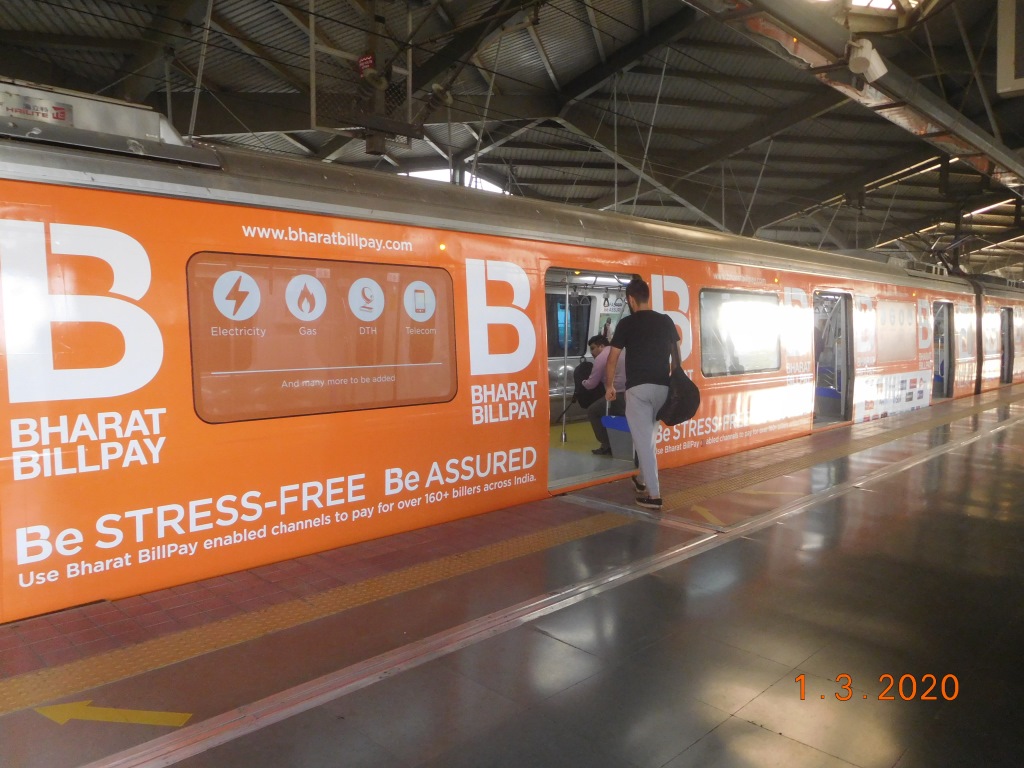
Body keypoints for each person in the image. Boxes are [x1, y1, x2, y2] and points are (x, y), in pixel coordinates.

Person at [605, 277, 682, 511]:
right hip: (662, 388)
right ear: (648, 297)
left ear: (630, 300)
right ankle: (641, 481)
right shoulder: (666, 321)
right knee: (647, 439)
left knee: (644, 442)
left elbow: (612, 358)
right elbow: (676, 353)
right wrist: (675, 378)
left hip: (638, 390)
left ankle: (654, 495)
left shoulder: (627, 324)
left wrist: (609, 386)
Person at [581, 335, 625, 455]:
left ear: (602, 346)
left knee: (593, 411)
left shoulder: (602, 357)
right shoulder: (621, 351)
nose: (592, 352)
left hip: (617, 394)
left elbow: (591, 384)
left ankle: (607, 443)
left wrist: (582, 382)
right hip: (629, 392)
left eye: (593, 348)